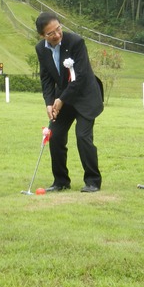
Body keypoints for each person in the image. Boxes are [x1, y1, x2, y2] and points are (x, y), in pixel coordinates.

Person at [35, 12, 104, 193]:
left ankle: (92, 181)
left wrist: (61, 99)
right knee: (55, 135)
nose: (57, 34)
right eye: (50, 33)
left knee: (82, 136)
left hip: (85, 96)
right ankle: (61, 181)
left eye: (58, 29)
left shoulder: (76, 42)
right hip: (62, 100)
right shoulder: (41, 49)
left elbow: (80, 77)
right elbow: (46, 78)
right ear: (43, 36)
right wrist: (49, 102)